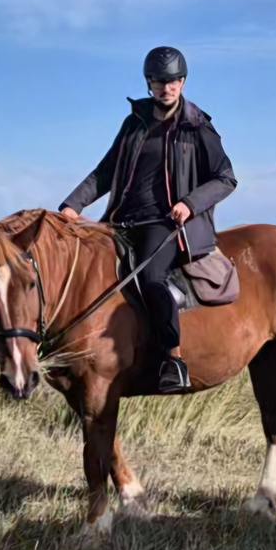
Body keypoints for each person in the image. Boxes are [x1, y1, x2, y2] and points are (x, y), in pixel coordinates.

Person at [59, 46, 237, 392]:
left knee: (152, 278)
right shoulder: (134, 123)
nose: (165, 88)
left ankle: (173, 360)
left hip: (166, 225)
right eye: (158, 81)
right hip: (120, 222)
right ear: (148, 84)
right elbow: (105, 172)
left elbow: (225, 178)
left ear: (182, 83)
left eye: (172, 81)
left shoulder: (197, 126)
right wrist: (72, 205)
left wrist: (190, 204)